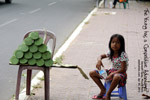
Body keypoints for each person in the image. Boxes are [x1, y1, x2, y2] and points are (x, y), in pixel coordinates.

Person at [89, 34, 129, 100]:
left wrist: (112, 74)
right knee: (92, 73)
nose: (114, 44)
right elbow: (101, 56)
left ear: (121, 44)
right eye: (113, 42)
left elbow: (123, 69)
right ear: (110, 43)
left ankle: (108, 93)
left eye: (117, 42)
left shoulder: (123, 55)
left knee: (116, 76)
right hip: (111, 72)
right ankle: (103, 90)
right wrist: (99, 60)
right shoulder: (111, 52)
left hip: (120, 74)